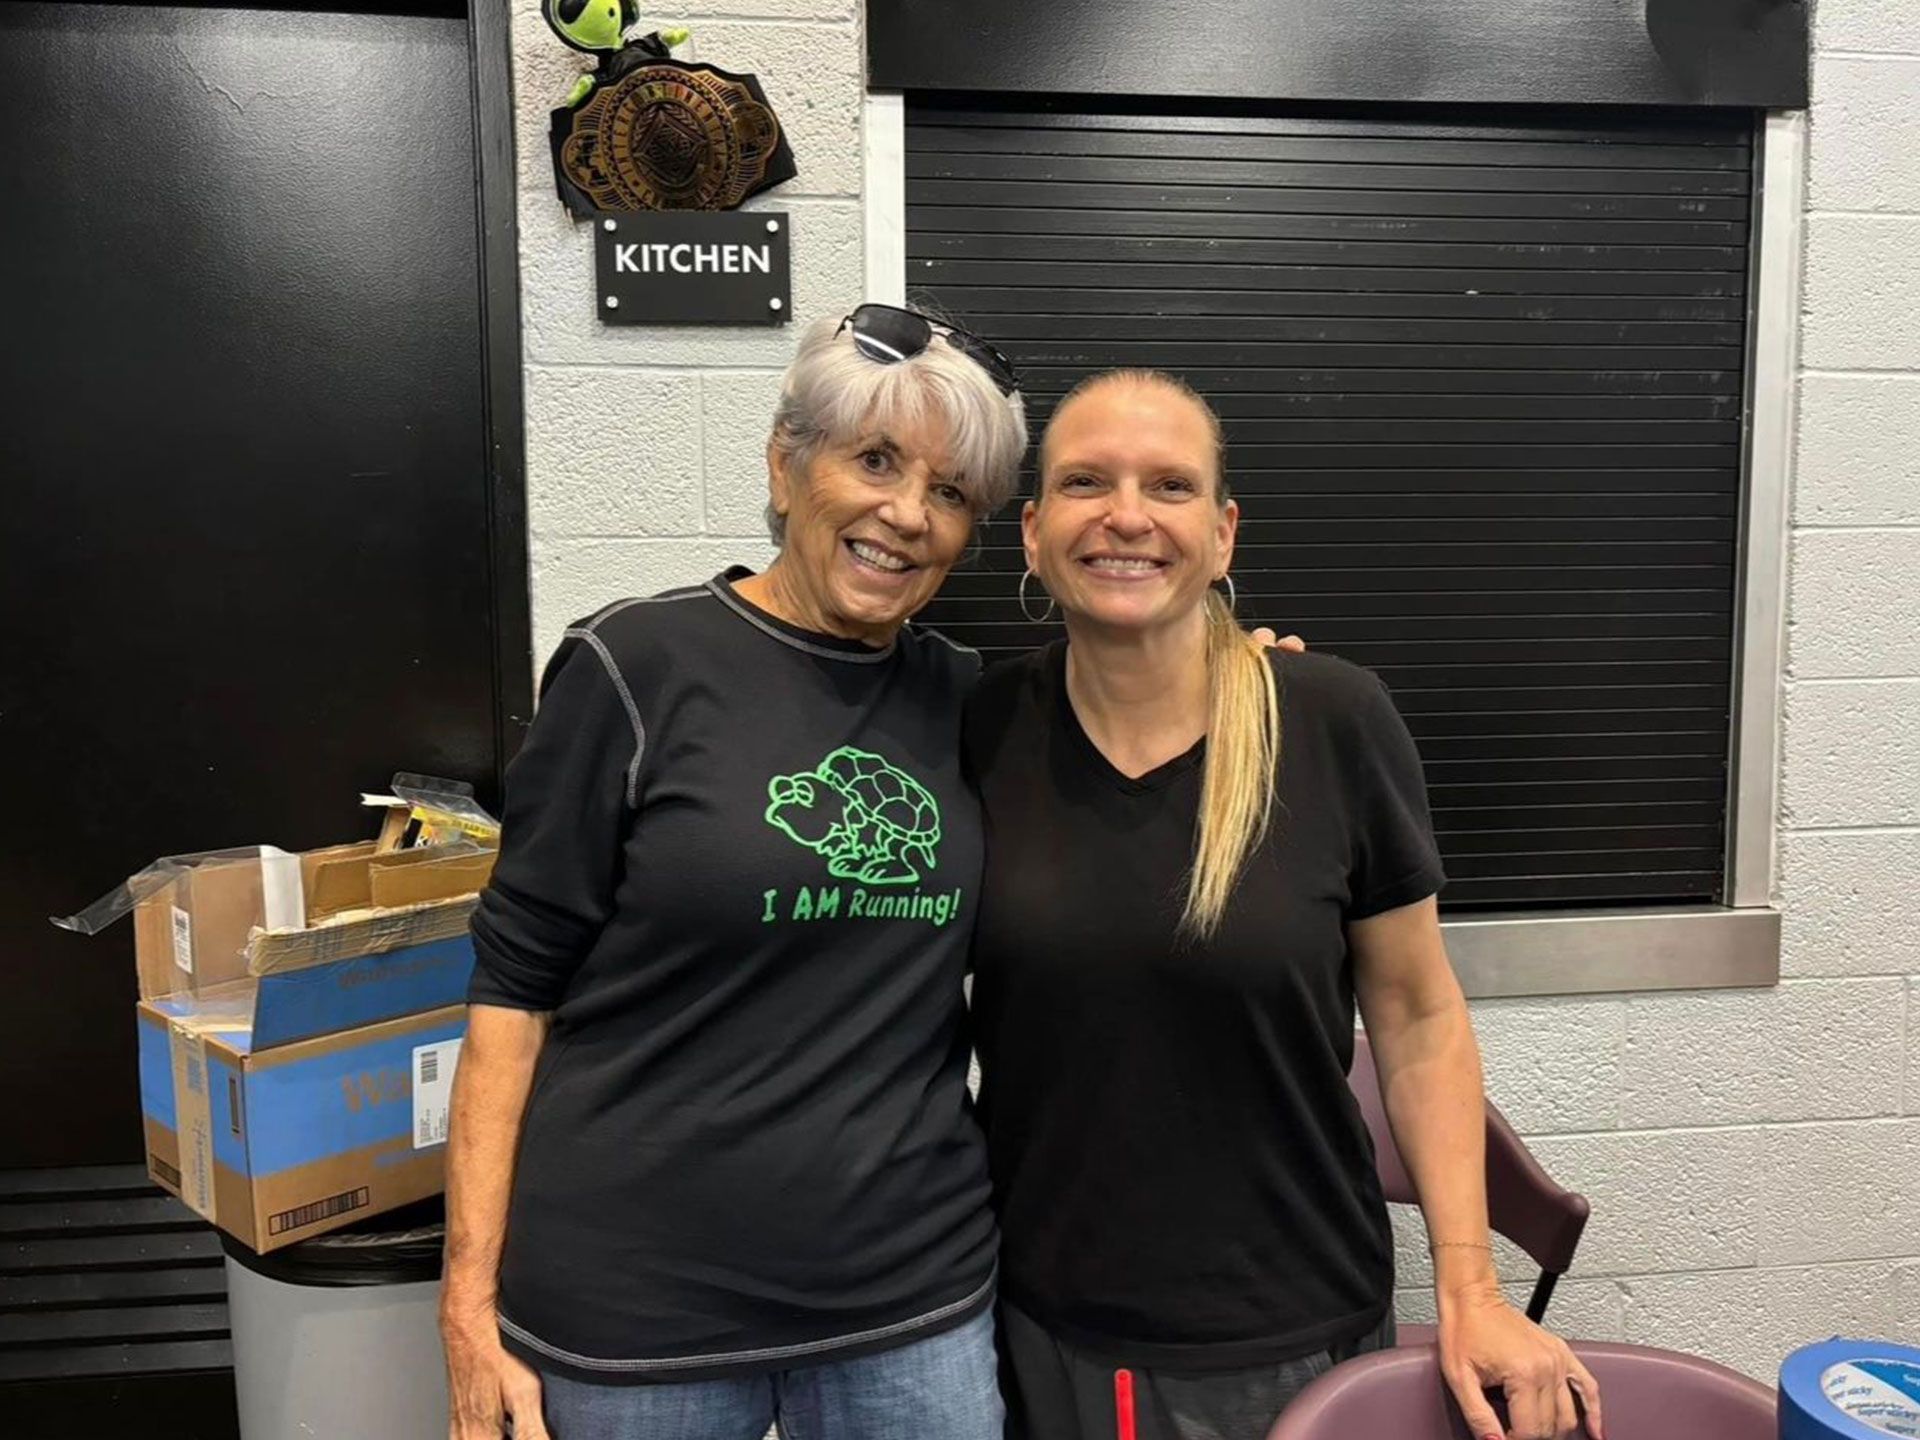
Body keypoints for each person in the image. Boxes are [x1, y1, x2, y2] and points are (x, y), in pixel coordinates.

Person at [964, 369, 1605, 1440]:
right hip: (1046, 1324)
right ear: (1032, 532)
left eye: (1169, 486)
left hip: (1293, 1327)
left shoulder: (1333, 721)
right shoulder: (975, 728)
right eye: (1086, 482)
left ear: (1222, 535)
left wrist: (1472, 1290)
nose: (1127, 515)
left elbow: (1416, 1016)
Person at [439, 304, 1027, 1440]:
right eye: (875, 461)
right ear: (786, 462)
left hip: (909, 1306)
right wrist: (467, 1312)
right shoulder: (634, 669)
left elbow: (1132, 733)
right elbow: (512, 999)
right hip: (634, 1320)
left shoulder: (969, 701)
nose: (907, 514)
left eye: (952, 493)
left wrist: (1241, 675)